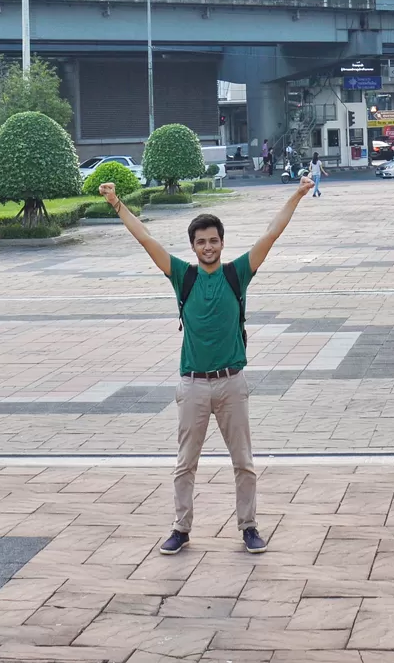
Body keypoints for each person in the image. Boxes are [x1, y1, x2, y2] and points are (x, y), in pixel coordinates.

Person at [102, 174, 314, 556]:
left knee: (244, 462)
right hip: (194, 385)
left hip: (232, 383)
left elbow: (271, 234)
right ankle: (181, 529)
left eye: (213, 241)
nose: (208, 247)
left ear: (221, 243)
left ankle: (249, 527)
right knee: (185, 464)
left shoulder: (237, 274)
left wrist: (297, 195)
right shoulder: (183, 277)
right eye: (201, 242)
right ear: (193, 247)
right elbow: (146, 239)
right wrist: (117, 204)